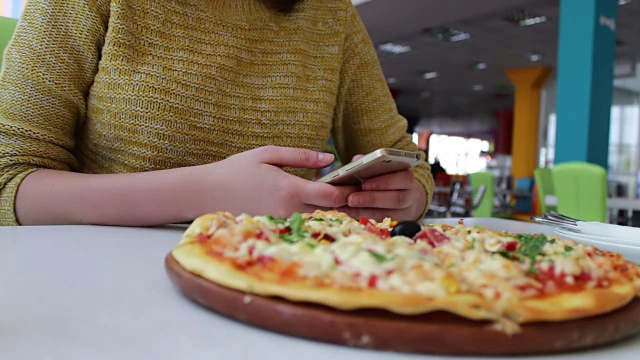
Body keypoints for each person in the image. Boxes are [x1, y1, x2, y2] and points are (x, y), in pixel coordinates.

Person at [0, 0, 434, 226]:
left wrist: (407, 196)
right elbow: (10, 180)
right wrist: (203, 193)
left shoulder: (329, 14)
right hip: (93, 295)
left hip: (271, 290)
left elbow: (401, 159)